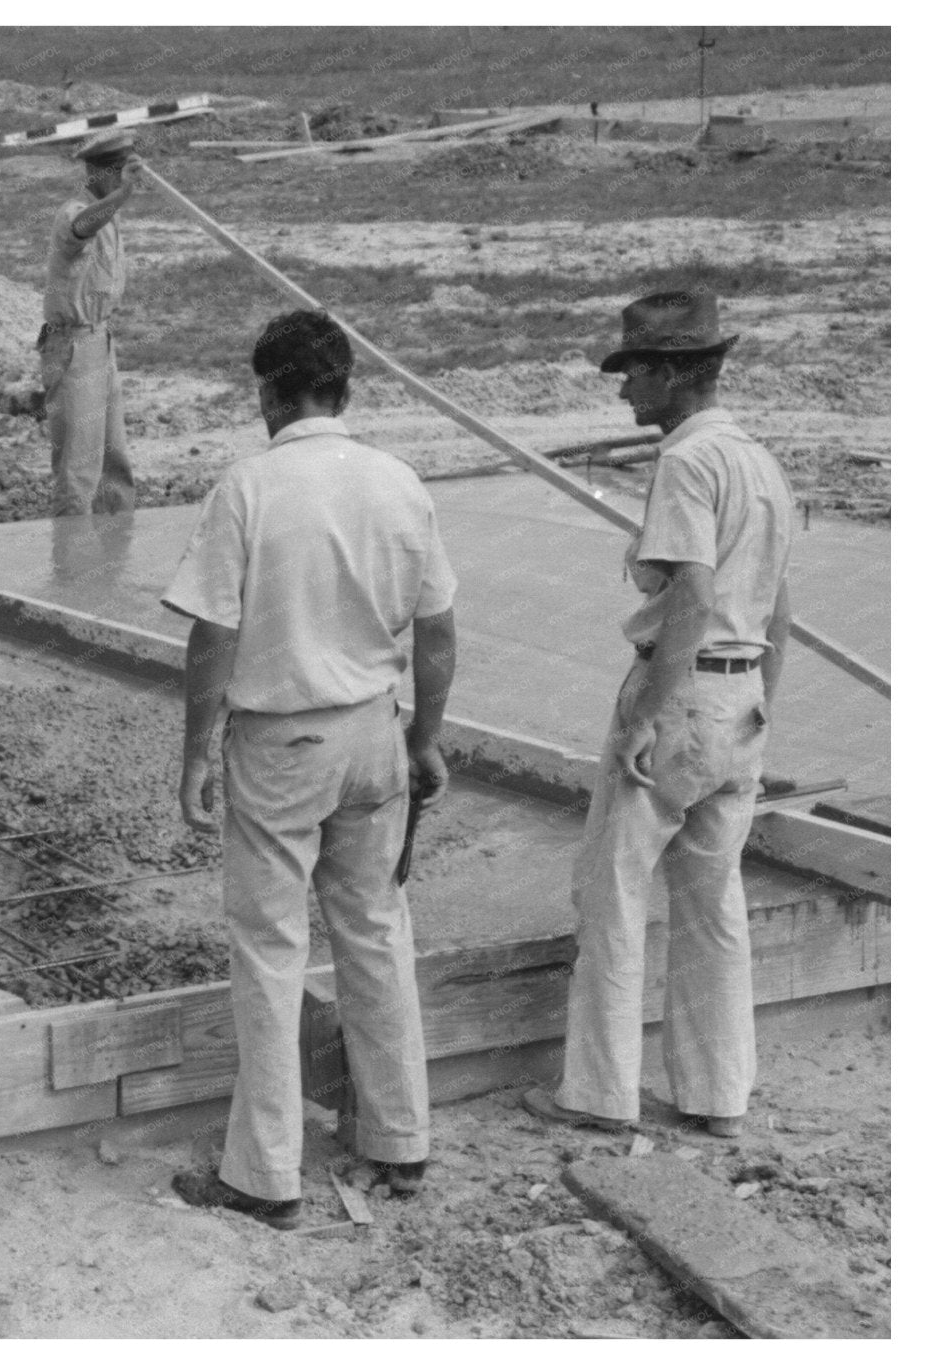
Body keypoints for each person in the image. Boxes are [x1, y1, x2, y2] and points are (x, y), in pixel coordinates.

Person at [162, 310, 457, 1229]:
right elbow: (438, 631)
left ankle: (265, 1171)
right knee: (376, 931)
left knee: (270, 947)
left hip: (283, 740)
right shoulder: (398, 481)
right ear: (343, 389)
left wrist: (196, 750)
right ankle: (400, 1138)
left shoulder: (249, 487)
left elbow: (213, 633)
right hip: (374, 729)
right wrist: (425, 737)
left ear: (271, 393)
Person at [523, 291, 793, 1141]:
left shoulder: (687, 462)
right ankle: (718, 1093)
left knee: (612, 890)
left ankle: (599, 1092)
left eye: (635, 369)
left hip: (680, 692)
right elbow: (779, 604)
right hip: (740, 694)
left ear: (675, 372)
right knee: (714, 903)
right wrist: (759, 703)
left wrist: (647, 713)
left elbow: (693, 596)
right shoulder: (759, 462)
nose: (624, 388)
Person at [40, 127, 141, 558]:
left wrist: (118, 198)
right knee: (78, 471)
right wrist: (121, 195)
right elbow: (82, 227)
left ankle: (113, 566)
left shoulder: (110, 216)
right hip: (73, 348)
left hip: (101, 342)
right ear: (100, 173)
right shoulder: (76, 213)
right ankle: (72, 571)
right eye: (117, 173)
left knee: (114, 466)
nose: (122, 181)